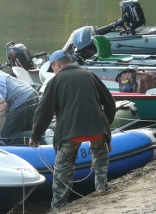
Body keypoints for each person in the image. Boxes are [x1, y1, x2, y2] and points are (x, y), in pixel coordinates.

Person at [29, 50, 116, 211]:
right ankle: (102, 187)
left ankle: (59, 206)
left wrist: (35, 135)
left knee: (63, 168)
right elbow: (110, 103)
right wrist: (105, 124)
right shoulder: (89, 75)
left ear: (57, 64)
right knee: (100, 155)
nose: (53, 70)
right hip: (97, 129)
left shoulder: (56, 81)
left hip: (70, 133)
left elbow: (44, 111)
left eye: (52, 67)